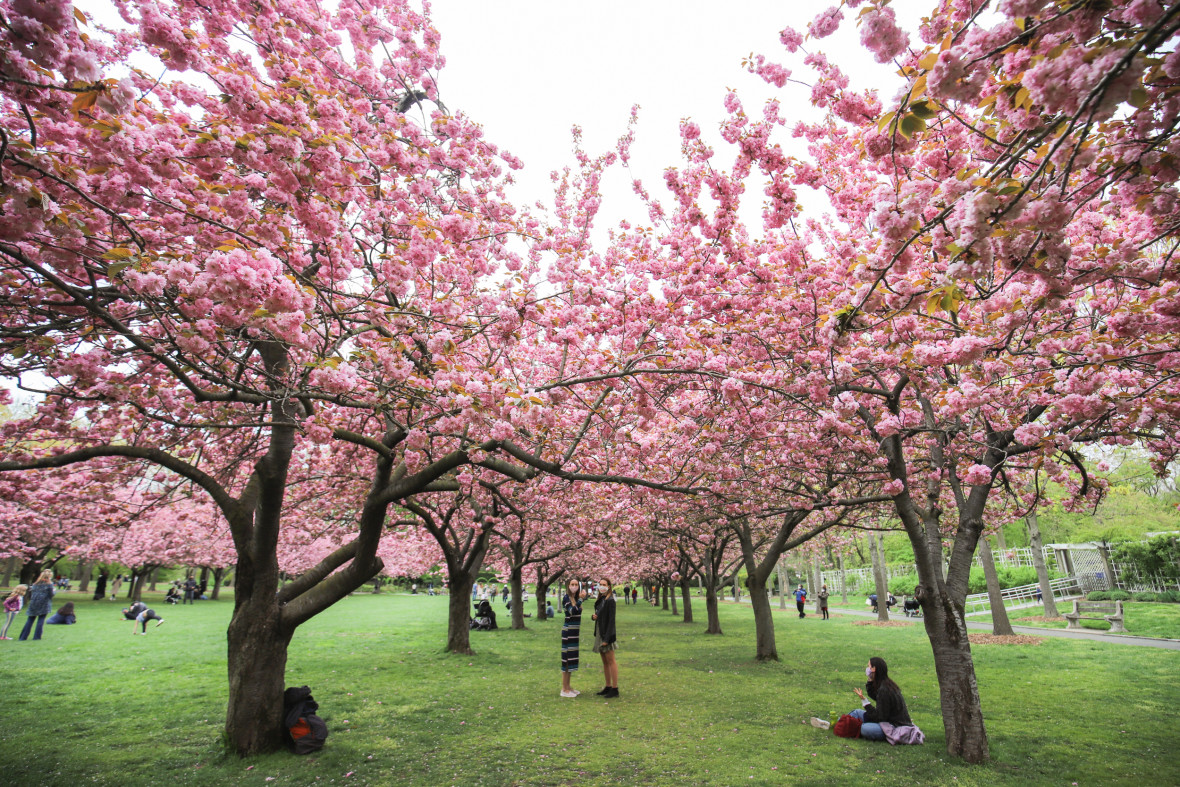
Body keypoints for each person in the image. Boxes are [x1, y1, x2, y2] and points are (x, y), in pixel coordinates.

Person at [841, 656, 924, 744]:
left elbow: (879, 717)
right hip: (885, 721)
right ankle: (839, 724)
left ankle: (847, 727)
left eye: (869, 666)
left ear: (874, 669)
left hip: (894, 727)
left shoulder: (885, 689)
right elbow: (875, 696)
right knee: (856, 712)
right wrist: (870, 680)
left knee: (865, 728)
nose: (867, 669)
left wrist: (865, 703)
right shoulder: (884, 684)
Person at [559, 578, 587, 698]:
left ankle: (568, 686)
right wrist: (581, 600)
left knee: (571, 660)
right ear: (568, 585)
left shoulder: (574, 599)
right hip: (568, 631)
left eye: (576, 584)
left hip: (575, 633)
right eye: (572, 584)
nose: (574, 586)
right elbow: (572, 611)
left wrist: (579, 600)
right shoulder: (566, 598)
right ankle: (564, 689)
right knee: (566, 660)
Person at [591, 578, 619, 698]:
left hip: (607, 634)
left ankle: (615, 688)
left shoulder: (610, 601)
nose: (602, 586)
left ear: (609, 586)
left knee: (611, 661)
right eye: (600, 584)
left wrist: (607, 639)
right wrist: (594, 617)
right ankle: (607, 686)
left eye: (604, 585)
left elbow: (611, 621)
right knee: (605, 661)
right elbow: (600, 615)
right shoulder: (601, 599)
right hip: (600, 632)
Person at [18, 569, 56, 641]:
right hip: (44, 603)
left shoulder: (35, 584)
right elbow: (51, 595)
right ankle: (37, 637)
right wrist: (54, 591)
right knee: (41, 620)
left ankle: (23, 637)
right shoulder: (49, 585)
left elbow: (32, 593)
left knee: (30, 619)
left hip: (34, 603)